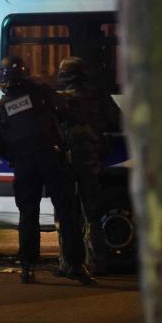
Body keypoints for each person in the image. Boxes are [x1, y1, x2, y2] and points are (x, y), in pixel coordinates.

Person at [0, 56, 92, 285]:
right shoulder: (42, 92)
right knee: (67, 214)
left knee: (28, 216)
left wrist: (17, 158)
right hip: (51, 158)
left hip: (24, 165)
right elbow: (66, 113)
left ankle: (27, 267)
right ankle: (75, 266)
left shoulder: (1, 108)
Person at [55, 56, 123, 276]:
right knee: (92, 216)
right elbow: (118, 121)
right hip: (91, 163)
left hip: (65, 165)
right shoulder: (99, 97)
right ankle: (95, 263)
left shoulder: (58, 99)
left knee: (66, 216)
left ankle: (68, 264)